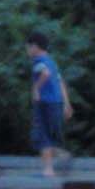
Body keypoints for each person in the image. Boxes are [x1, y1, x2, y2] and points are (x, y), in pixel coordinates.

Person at [26, 31, 73, 177]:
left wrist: (36, 88)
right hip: (56, 103)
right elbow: (60, 82)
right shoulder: (52, 61)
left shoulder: (38, 61)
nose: (27, 51)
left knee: (43, 136)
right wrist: (66, 104)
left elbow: (44, 74)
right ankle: (62, 156)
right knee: (48, 137)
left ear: (35, 47)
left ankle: (48, 170)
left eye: (28, 47)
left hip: (45, 103)